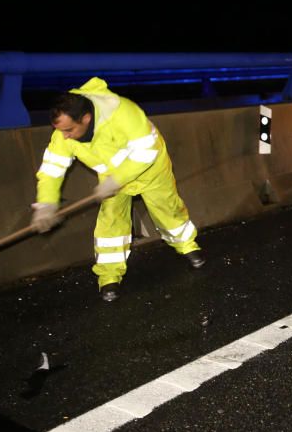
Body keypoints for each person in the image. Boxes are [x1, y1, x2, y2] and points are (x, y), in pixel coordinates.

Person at [31, 77, 204, 302]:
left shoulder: (123, 113)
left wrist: (116, 180)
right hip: (111, 180)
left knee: (167, 210)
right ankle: (109, 277)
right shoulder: (63, 133)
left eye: (69, 130)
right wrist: (46, 204)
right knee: (111, 222)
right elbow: (52, 169)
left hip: (149, 170)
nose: (64, 136)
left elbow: (145, 153)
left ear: (86, 118)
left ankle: (188, 247)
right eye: (60, 131)